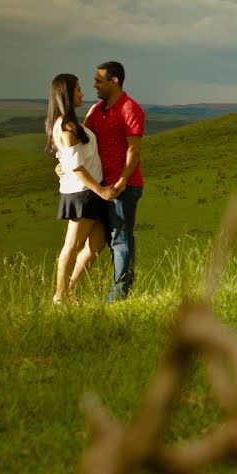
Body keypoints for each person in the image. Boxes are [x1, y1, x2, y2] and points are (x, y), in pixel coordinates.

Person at [45, 73, 117, 305]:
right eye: (77, 90)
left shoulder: (71, 125)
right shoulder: (66, 128)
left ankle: (70, 290)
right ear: (66, 95)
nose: (82, 93)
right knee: (72, 246)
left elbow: (69, 161)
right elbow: (76, 167)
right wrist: (102, 191)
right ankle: (59, 297)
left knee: (97, 243)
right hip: (83, 192)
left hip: (86, 191)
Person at [79, 60, 146, 304]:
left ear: (114, 80)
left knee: (120, 238)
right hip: (99, 185)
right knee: (103, 240)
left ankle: (119, 295)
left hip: (123, 186)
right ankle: (112, 289)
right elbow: (82, 138)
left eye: (99, 80)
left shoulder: (130, 109)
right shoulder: (97, 110)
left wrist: (122, 181)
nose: (94, 85)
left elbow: (134, 150)